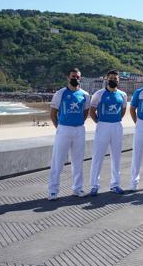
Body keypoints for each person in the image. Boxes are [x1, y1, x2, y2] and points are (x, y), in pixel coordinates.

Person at [48, 68, 91, 200]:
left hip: (79, 129)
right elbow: (53, 113)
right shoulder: (60, 93)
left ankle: (77, 189)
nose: (75, 79)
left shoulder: (85, 95)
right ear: (68, 77)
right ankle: (53, 191)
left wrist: (77, 123)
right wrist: (59, 127)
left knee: (78, 161)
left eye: (78, 77)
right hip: (64, 129)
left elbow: (85, 112)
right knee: (58, 160)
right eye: (73, 76)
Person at [88, 70, 128, 196]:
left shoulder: (123, 95)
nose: (113, 80)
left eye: (116, 78)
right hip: (103, 126)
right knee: (98, 156)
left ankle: (115, 184)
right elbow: (92, 111)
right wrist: (99, 122)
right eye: (111, 78)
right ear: (106, 79)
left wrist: (115, 120)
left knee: (116, 157)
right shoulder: (99, 94)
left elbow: (123, 110)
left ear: (118, 80)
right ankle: (94, 186)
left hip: (117, 126)